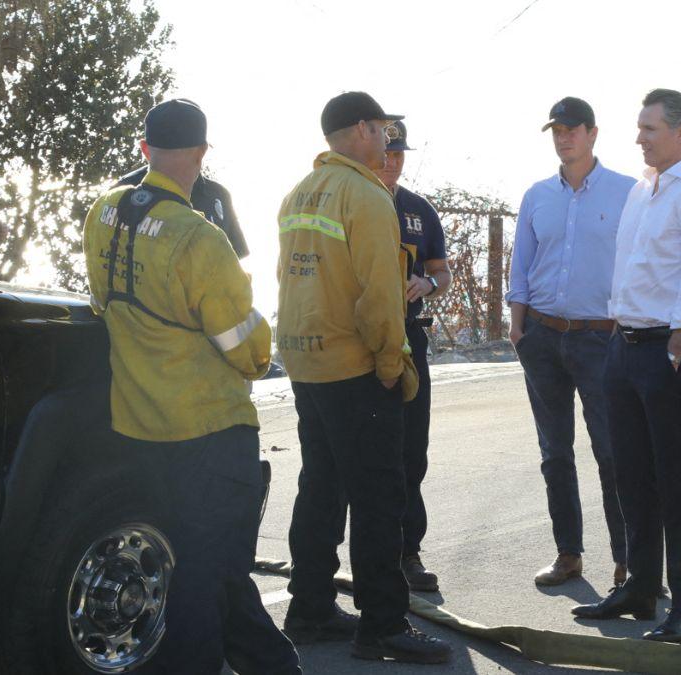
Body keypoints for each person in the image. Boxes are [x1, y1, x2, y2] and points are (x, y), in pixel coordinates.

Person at [81, 99, 300, 674]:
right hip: (208, 429)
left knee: (195, 563)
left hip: (138, 424)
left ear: (144, 148)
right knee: (209, 572)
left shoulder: (103, 212)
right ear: (202, 153)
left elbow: (101, 301)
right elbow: (249, 352)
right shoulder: (199, 238)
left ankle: (274, 664)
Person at [277, 91, 450, 664]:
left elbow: (289, 280)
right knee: (379, 496)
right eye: (381, 129)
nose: (386, 140)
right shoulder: (368, 196)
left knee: (321, 489)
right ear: (359, 130)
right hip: (355, 368)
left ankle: (309, 609)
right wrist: (392, 365)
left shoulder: (301, 191)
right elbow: (380, 297)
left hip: (308, 363)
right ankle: (382, 625)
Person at [572, 88, 681, 644]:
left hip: (668, 350)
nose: (639, 137)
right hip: (625, 345)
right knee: (630, 473)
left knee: (674, 479)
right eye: (639, 128)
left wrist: (675, 351)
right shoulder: (643, 189)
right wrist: (620, 334)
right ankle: (640, 587)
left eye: (650, 128)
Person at [506, 96, 634, 588]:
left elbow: (638, 263)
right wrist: (518, 327)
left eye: (572, 130)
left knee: (612, 452)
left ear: (592, 133)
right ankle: (568, 554)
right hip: (541, 336)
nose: (563, 138)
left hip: (601, 338)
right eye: (557, 131)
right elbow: (521, 264)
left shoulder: (627, 192)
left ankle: (628, 561)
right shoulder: (538, 195)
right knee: (554, 452)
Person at [373, 119, 452, 593]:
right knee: (362, 453)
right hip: (361, 341)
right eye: (387, 152)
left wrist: (428, 283)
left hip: (409, 337)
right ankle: (364, 556)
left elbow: (442, 272)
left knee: (410, 450)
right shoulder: (353, 200)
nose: (393, 161)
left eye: (400, 153)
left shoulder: (419, 209)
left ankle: (408, 552)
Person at [117, 113, 251, 259]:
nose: (176, 160)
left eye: (185, 149)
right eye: (169, 149)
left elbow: (236, 257)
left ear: (201, 152)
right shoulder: (125, 189)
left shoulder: (218, 194)